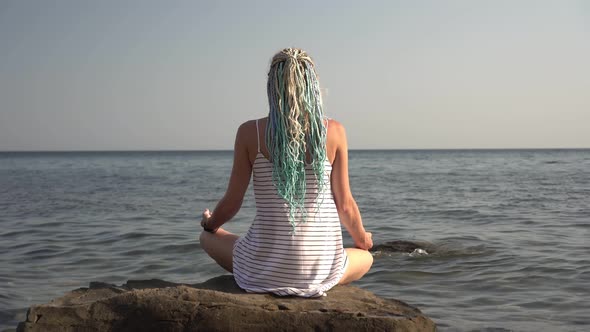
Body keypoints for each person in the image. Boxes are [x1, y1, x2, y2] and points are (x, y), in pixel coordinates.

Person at [199, 48, 373, 297]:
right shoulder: (333, 131)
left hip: (262, 271)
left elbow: (232, 203)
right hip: (319, 273)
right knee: (366, 258)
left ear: (272, 86)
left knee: (207, 238)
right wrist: (363, 239)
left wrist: (210, 224)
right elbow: (344, 204)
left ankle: (268, 267)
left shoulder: (251, 133)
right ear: (312, 85)